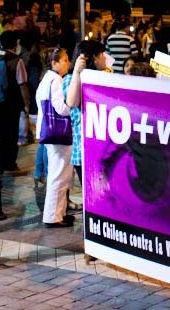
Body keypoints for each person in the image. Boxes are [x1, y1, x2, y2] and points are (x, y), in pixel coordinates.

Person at [65, 40, 109, 211]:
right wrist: (77, 72)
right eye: (102, 55)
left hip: (106, 150)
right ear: (94, 58)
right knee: (93, 200)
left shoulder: (105, 78)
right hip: (85, 152)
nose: (106, 59)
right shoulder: (70, 79)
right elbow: (72, 102)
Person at [36, 48, 73, 228]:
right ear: (54, 63)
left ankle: (60, 213)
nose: (68, 63)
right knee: (59, 175)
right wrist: (72, 106)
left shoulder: (46, 79)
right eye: (64, 60)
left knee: (58, 174)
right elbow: (60, 107)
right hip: (57, 134)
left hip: (49, 133)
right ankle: (52, 217)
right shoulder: (56, 79)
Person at [0, 31, 30, 174]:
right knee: (11, 134)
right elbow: (23, 85)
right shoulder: (17, 60)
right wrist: (26, 104)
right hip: (10, 103)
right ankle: (10, 164)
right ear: (16, 43)